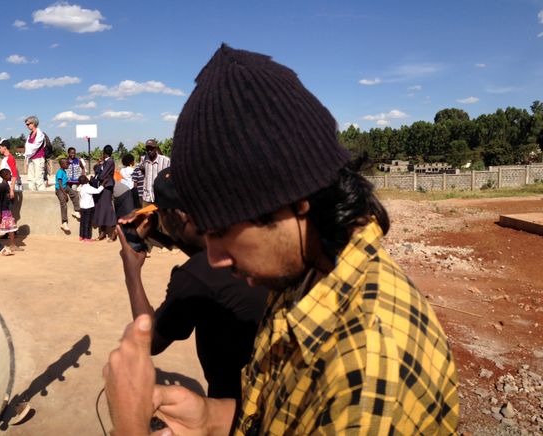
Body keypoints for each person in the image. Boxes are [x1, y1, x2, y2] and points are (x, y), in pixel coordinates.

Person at [105, 45, 456, 435]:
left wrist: (130, 427)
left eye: (222, 231)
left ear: (294, 203)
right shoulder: (308, 273)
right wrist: (210, 418)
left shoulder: (368, 381)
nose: (215, 257)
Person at [115, 170, 270, 400]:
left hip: (235, 408)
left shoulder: (196, 276)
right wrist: (164, 231)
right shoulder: (249, 240)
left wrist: (132, 271)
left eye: (162, 215)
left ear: (178, 217)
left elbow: (149, 341)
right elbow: (199, 248)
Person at [92, 145, 119, 240]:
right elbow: (96, 169)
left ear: (104, 153)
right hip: (102, 187)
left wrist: (99, 170)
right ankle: (102, 233)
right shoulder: (106, 162)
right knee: (101, 209)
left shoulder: (110, 161)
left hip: (106, 187)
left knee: (107, 208)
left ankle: (113, 232)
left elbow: (102, 175)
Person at [0, 168, 22, 251]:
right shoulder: (1, 186)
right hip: (2, 210)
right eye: (9, 174)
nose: (11, 175)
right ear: (5, 176)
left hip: (5, 209)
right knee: (10, 228)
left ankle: (12, 245)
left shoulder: (6, 185)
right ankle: (12, 245)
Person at [137, 140, 171, 204]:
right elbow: (142, 170)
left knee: (160, 214)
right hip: (147, 196)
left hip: (161, 197)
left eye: (152, 148)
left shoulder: (166, 160)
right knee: (146, 214)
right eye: (147, 149)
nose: (149, 151)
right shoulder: (143, 159)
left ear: (156, 148)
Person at [20, 116, 50, 191]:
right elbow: (28, 147)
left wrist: (27, 153)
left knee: (38, 179)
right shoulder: (30, 134)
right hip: (31, 158)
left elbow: (34, 147)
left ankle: (42, 196)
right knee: (31, 178)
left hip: (38, 159)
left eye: (28, 124)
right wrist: (27, 155)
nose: (27, 126)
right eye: (26, 124)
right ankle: (32, 194)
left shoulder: (40, 134)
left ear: (34, 123)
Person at [73, 177, 102, 242]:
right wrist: (103, 185)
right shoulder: (88, 187)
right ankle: (87, 237)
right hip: (88, 207)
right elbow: (97, 191)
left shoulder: (81, 187)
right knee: (88, 223)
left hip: (82, 207)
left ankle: (81, 236)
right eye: (86, 178)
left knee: (82, 222)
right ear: (86, 180)